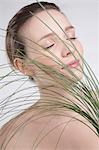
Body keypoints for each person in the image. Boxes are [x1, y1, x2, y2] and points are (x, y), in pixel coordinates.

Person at [0, 1, 99, 150]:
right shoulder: (10, 135)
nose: (69, 49)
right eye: (49, 45)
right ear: (23, 66)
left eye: (71, 37)